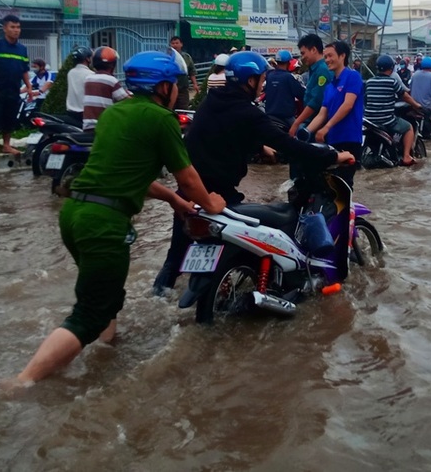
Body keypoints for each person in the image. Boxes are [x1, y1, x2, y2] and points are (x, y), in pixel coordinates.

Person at [13, 51, 226, 384]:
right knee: (90, 315)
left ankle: (103, 355)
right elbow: (187, 178)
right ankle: (20, 383)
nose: (177, 92)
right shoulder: (161, 118)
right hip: (103, 222)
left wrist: (172, 200)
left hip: (74, 214)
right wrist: (210, 203)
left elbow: (124, 174)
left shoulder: (114, 115)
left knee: (106, 297)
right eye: (174, 85)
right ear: (163, 87)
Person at [151, 51, 354, 295]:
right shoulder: (249, 112)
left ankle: (161, 294)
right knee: (259, 238)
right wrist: (334, 156)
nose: (263, 84)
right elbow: (289, 145)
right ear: (250, 81)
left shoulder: (212, 102)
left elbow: (225, 132)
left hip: (188, 193)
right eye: (261, 79)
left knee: (174, 258)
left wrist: (260, 147)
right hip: (219, 194)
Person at [305, 40, 364, 188]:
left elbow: (348, 105)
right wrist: (305, 131)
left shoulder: (353, 76)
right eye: (325, 57)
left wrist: (326, 127)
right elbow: (322, 114)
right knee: (328, 185)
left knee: (343, 185)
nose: (327, 60)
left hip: (349, 139)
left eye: (330, 56)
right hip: (332, 141)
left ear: (342, 56)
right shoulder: (330, 86)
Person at [0, 14, 35, 156]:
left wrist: (29, 87)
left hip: (14, 89)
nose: (16, 30)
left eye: (18, 27)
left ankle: (6, 145)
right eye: (12, 27)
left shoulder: (22, 49)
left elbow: (24, 69)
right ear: (5, 28)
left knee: (10, 117)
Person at [366, 55, 421, 166]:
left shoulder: (369, 82)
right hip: (386, 120)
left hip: (369, 120)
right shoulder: (392, 82)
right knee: (409, 127)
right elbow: (405, 96)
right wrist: (416, 105)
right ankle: (406, 156)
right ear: (391, 68)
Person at [288, 33, 332, 138]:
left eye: (303, 53)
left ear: (313, 50)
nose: (302, 57)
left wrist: (296, 123)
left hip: (316, 125)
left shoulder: (322, 70)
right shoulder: (314, 69)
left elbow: (315, 102)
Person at [83, 46, 130, 131]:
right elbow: (126, 101)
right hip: (104, 126)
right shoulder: (111, 80)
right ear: (112, 64)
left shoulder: (88, 78)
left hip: (87, 126)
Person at [262, 49, 304, 129]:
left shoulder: (270, 75)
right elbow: (301, 94)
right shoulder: (288, 77)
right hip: (286, 117)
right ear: (288, 62)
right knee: (301, 133)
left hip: (269, 115)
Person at [169, 36, 198, 110]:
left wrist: (195, 84)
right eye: (173, 43)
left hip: (183, 89)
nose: (175, 45)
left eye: (177, 43)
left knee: (183, 109)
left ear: (181, 44)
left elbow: (191, 71)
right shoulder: (167, 57)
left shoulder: (187, 57)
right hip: (170, 88)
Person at [66, 46, 93, 125]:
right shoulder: (90, 74)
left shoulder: (70, 73)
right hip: (84, 113)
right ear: (87, 59)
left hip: (70, 112)